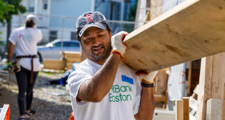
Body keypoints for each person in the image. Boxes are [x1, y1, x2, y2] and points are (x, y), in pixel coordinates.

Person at [68, 11, 157, 120]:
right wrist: (117, 52)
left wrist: (147, 84)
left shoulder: (128, 71)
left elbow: (143, 118)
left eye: (100, 35)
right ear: (81, 44)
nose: (96, 42)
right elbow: (96, 94)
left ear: (110, 35)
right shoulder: (78, 75)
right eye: (88, 39)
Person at [7, 14, 42, 120]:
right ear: (34, 23)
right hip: (34, 64)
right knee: (30, 89)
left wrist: (9, 62)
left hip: (21, 63)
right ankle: (28, 110)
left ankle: (22, 115)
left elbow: (11, 49)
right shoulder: (38, 32)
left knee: (21, 90)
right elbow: (37, 39)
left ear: (25, 21)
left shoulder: (17, 31)